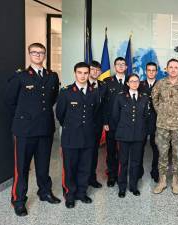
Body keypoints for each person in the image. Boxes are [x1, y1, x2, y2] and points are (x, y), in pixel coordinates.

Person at [5, 42, 60, 216]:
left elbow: (51, 99)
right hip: (25, 130)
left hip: (45, 128)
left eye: (41, 52)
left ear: (45, 55)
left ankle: (44, 192)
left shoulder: (52, 76)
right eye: (34, 52)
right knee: (21, 168)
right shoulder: (20, 76)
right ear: (29, 54)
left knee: (43, 165)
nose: (38, 55)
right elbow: (9, 101)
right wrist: (24, 116)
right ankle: (18, 200)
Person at [56, 62, 101, 208]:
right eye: (79, 72)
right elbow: (60, 115)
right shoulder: (66, 91)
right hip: (71, 136)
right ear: (75, 73)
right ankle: (70, 194)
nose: (82, 76)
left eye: (85, 73)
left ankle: (82, 192)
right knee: (70, 167)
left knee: (85, 166)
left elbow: (95, 114)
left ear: (89, 74)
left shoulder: (94, 92)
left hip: (88, 136)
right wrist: (72, 127)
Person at [152, 58, 178, 195]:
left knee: (177, 154)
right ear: (166, 69)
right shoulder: (160, 83)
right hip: (162, 125)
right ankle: (162, 181)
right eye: (171, 67)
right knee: (162, 154)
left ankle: (175, 181)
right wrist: (161, 112)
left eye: (176, 67)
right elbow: (154, 99)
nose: (173, 69)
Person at [112, 74, 149, 198]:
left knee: (136, 162)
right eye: (132, 81)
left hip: (138, 135)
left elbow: (146, 116)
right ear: (127, 83)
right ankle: (122, 187)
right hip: (123, 135)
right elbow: (115, 116)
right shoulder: (120, 97)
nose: (134, 83)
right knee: (123, 162)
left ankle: (133, 186)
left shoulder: (144, 97)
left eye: (136, 81)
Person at [102, 57, 128, 187]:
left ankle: (122, 175)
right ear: (114, 66)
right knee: (111, 151)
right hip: (111, 123)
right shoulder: (107, 82)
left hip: (126, 123)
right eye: (119, 64)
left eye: (123, 64)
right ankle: (112, 175)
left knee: (124, 150)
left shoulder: (131, 81)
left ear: (126, 67)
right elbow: (104, 104)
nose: (121, 66)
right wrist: (105, 121)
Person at [138, 62, 159, 183]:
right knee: (139, 147)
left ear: (156, 72)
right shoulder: (140, 85)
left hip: (156, 121)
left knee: (156, 148)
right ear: (146, 72)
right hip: (142, 121)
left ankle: (155, 171)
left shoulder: (161, 85)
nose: (151, 72)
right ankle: (138, 171)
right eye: (149, 70)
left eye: (153, 70)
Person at [88, 60, 104, 188]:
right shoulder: (81, 84)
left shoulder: (103, 86)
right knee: (82, 154)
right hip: (81, 126)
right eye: (92, 69)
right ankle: (80, 179)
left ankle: (91, 178)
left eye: (98, 70)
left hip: (97, 126)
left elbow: (105, 106)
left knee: (93, 153)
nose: (95, 72)